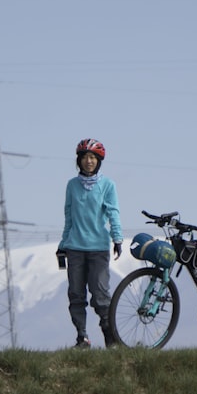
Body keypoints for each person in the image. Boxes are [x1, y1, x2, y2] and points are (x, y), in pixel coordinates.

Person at [56, 138, 124, 349]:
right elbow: (69, 216)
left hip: (98, 248)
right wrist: (63, 243)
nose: (89, 161)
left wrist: (117, 238)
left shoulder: (108, 185)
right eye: (85, 157)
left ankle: (109, 336)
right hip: (75, 248)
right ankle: (82, 337)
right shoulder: (72, 185)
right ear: (79, 160)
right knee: (76, 295)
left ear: (99, 161)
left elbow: (113, 212)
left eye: (93, 157)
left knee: (101, 295)